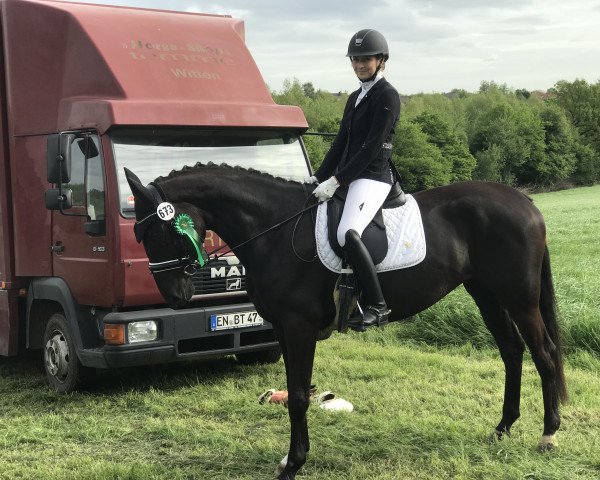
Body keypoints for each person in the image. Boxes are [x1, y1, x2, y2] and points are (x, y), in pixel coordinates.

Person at [308, 28, 401, 329]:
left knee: (346, 232)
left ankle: (379, 304)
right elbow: (340, 144)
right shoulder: (354, 98)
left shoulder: (387, 95)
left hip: (374, 176)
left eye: (366, 59)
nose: (360, 65)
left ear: (380, 60)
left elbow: (371, 148)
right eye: (355, 60)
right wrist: (316, 177)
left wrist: (336, 181)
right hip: (351, 173)